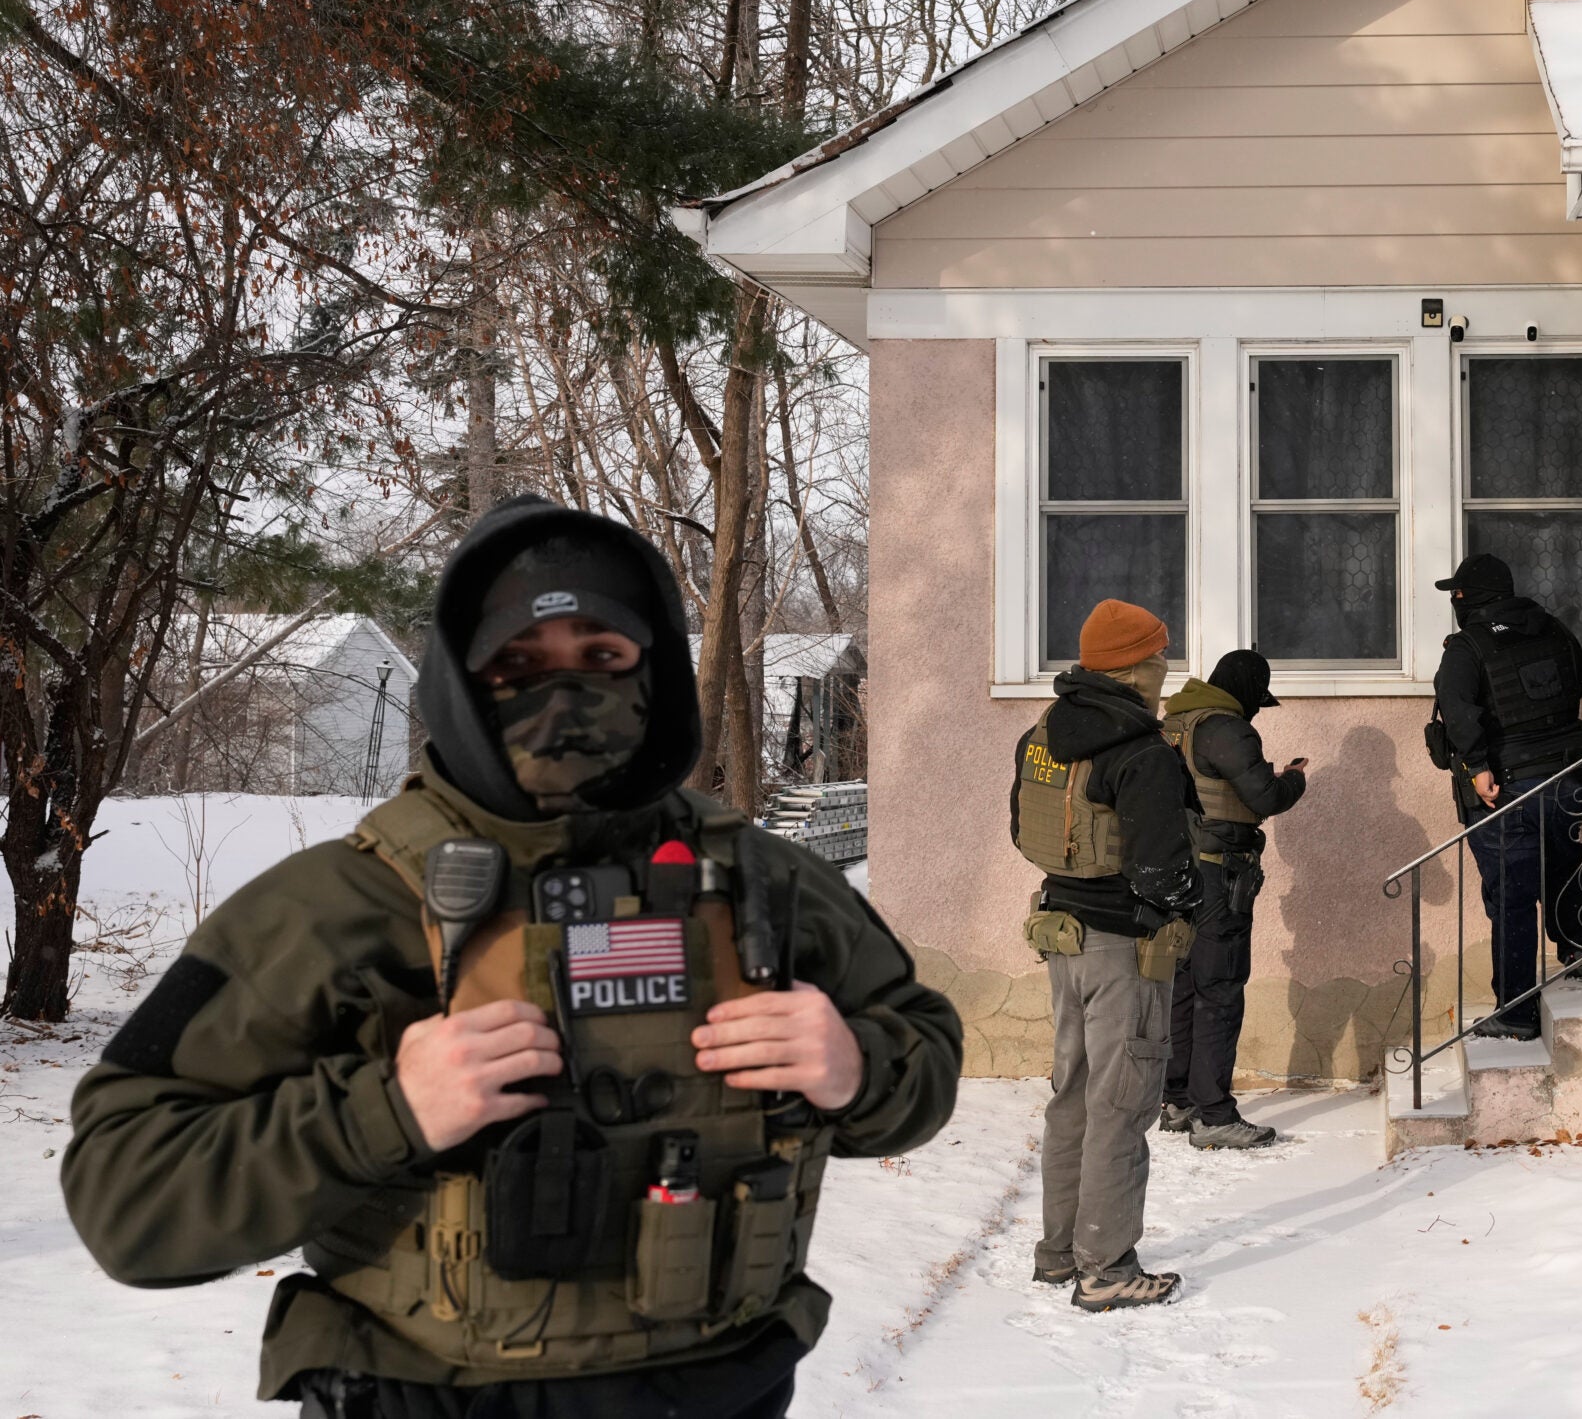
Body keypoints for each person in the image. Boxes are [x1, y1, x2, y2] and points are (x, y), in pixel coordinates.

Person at [61, 496, 961, 1419]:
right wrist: (386, 1111)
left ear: (658, 677)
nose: (564, 695)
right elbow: (126, 1195)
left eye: (604, 658)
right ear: (460, 679)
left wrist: (858, 1065)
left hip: (720, 1390)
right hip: (427, 1397)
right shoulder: (336, 906)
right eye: (519, 664)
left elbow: (924, 1054)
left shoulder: (768, 883)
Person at [1010, 599, 1201, 1311]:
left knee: (1074, 1097)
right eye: (1159, 657)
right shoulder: (1142, 752)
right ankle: (1107, 1267)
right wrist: (1190, 905)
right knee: (1120, 1105)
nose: (1165, 669)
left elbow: (1018, 826)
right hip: (1125, 946)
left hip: (1063, 934)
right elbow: (1161, 870)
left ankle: (1059, 1252)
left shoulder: (1043, 733)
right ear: (1133, 667)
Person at [1428, 552, 1582, 1043]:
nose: (1455, 604)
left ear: (1472, 598)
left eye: (1457, 595)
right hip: (1569, 774)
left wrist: (1480, 767)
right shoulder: (1551, 628)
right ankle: (1577, 950)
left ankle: (1517, 1011)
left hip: (1508, 785)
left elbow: (1457, 708)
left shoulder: (1466, 647)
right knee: (1565, 861)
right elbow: (1581, 676)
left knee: (1511, 895)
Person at [1158, 650, 1306, 1151]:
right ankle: (1214, 1114)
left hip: (1179, 867)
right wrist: (1295, 777)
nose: (1257, 713)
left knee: (1183, 981)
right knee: (1219, 987)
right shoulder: (1228, 728)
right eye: (1257, 703)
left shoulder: (1176, 720)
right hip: (1220, 873)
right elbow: (1265, 797)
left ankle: (1177, 1100)